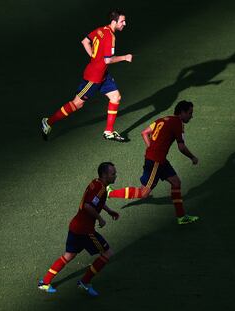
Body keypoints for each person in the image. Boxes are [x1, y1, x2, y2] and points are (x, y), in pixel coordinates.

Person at [41, 10, 132, 142]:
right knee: (77, 104)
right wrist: (125, 57)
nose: (125, 23)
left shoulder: (101, 30)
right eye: (122, 21)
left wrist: (93, 57)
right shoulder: (111, 37)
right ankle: (48, 122)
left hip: (103, 75)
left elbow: (85, 41)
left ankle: (109, 132)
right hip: (93, 78)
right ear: (114, 21)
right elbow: (108, 60)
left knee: (115, 97)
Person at [108, 100, 199, 225]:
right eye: (189, 113)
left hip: (159, 160)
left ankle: (181, 217)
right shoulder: (178, 123)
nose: (191, 116)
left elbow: (144, 133)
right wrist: (193, 157)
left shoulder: (162, 119)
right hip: (156, 161)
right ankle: (110, 192)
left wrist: (152, 148)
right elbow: (181, 147)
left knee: (176, 182)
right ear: (182, 112)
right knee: (144, 193)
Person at [38, 162, 120, 296]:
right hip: (85, 231)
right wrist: (100, 218)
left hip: (75, 226)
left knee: (69, 255)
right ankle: (84, 282)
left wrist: (109, 211)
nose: (115, 176)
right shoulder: (100, 189)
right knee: (107, 253)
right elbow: (88, 205)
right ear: (105, 175)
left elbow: (96, 201)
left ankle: (44, 282)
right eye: (113, 174)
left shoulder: (97, 183)